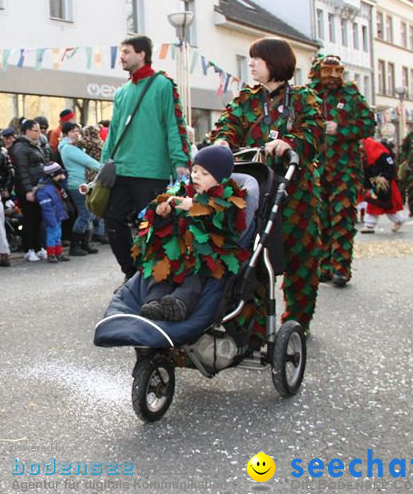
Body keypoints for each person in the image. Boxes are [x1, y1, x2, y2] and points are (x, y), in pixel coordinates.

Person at [209, 36, 324, 340]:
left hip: (295, 192)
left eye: (257, 59)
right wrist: (222, 140)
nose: (251, 65)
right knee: (254, 255)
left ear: (275, 61)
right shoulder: (247, 97)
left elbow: (314, 134)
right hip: (256, 187)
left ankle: (297, 322)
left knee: (301, 258)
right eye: (250, 59)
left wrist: (289, 143)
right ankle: (254, 324)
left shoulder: (304, 98)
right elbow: (227, 125)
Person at [100, 35, 192, 281]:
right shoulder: (121, 92)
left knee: (154, 228)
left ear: (142, 54)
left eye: (127, 51)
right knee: (113, 222)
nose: (122, 56)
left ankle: (152, 278)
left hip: (152, 172)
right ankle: (132, 275)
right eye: (121, 52)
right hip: (121, 170)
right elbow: (114, 132)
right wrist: (104, 162)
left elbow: (175, 125)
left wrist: (180, 161)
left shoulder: (163, 84)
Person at [132, 146, 249, 321]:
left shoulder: (226, 201)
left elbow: (224, 222)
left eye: (204, 174)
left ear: (220, 180)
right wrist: (163, 212)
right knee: (158, 274)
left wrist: (195, 206)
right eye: (194, 171)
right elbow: (165, 225)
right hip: (176, 252)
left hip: (203, 256)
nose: (196, 176)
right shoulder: (181, 192)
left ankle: (180, 303)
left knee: (194, 279)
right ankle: (153, 304)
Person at [308, 54, 375, 287]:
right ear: (319, 72)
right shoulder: (308, 96)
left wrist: (342, 129)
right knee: (320, 219)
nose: (334, 76)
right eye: (328, 71)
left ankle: (341, 268)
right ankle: (324, 266)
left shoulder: (351, 95)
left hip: (345, 169)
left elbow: (369, 124)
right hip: (316, 167)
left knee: (343, 218)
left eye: (338, 72)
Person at [59, 121, 101, 256]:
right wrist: (104, 168)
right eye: (72, 131)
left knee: (89, 214)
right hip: (77, 184)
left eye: (78, 131)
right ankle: (75, 245)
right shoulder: (68, 148)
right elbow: (88, 161)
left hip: (85, 183)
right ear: (66, 134)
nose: (76, 133)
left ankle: (85, 243)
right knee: (84, 214)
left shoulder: (77, 146)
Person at [10, 119, 48, 261]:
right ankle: (28, 249)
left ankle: (39, 247)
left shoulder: (35, 145)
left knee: (38, 218)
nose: (39, 133)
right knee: (29, 219)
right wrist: (28, 190)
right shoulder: (20, 147)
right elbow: (22, 171)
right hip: (28, 188)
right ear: (27, 131)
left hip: (39, 186)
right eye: (35, 130)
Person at [360, 137, 406, 233]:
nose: (360, 148)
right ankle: (369, 225)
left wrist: (385, 177)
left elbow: (392, 168)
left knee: (388, 205)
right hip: (374, 185)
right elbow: (367, 174)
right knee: (372, 203)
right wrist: (366, 186)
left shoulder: (383, 155)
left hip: (386, 184)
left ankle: (399, 220)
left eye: (362, 145)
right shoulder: (366, 158)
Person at [76, 124, 108, 244]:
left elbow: (78, 143)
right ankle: (100, 232)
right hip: (99, 174)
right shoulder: (99, 141)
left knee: (94, 202)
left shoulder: (91, 141)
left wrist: (67, 142)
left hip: (93, 175)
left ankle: (99, 232)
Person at [36, 162, 71, 263]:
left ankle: (58, 252)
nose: (61, 176)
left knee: (58, 234)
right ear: (53, 175)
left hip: (57, 214)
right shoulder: (44, 190)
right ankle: (51, 254)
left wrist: (63, 179)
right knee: (52, 235)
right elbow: (46, 208)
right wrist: (51, 220)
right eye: (59, 175)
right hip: (51, 217)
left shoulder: (55, 184)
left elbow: (64, 189)